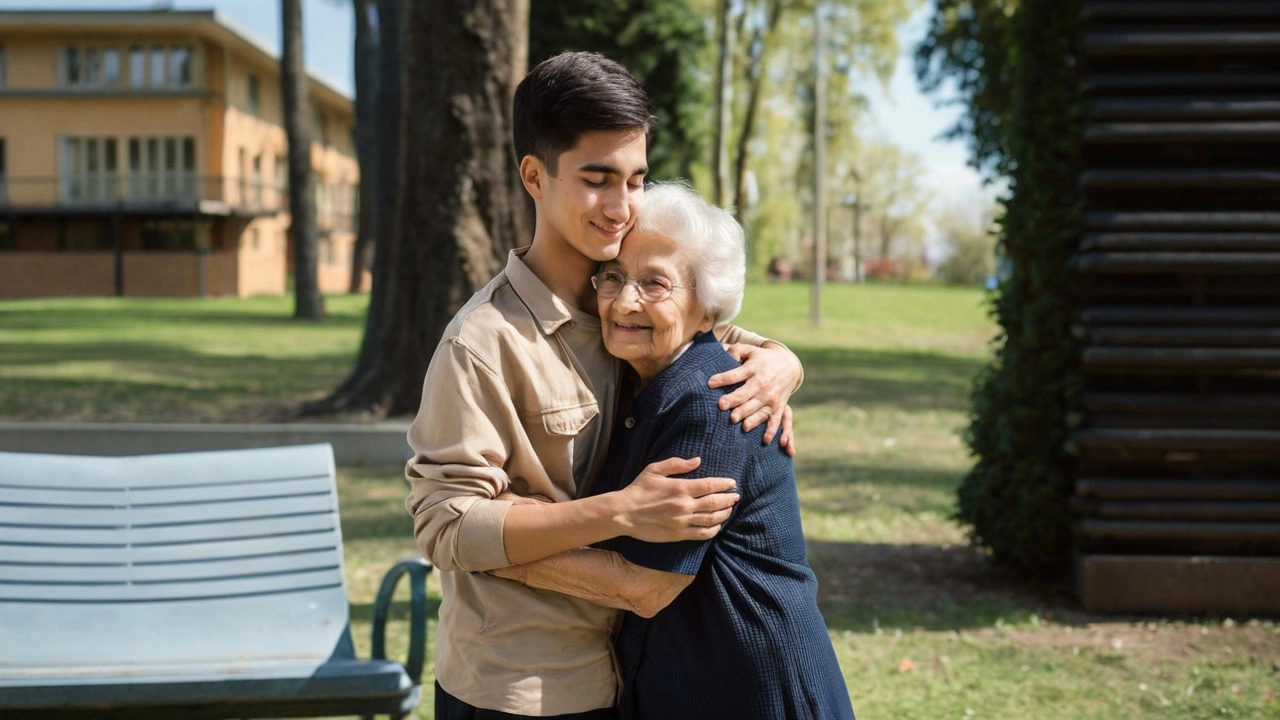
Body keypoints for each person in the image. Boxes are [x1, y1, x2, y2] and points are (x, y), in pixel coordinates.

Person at [405, 52, 805, 719]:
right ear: (535, 175)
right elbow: (444, 525)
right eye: (598, 180)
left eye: (636, 179)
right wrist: (618, 510)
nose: (622, 207)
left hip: (623, 677)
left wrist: (781, 359)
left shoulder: (622, 312)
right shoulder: (481, 342)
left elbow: (709, 341)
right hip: (519, 688)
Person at [490, 182, 856, 720]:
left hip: (753, 689)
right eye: (613, 277)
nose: (624, 300)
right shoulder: (639, 375)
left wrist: (498, 547)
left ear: (707, 312)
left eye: (654, 283)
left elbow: (644, 586)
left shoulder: (715, 401)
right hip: (689, 680)